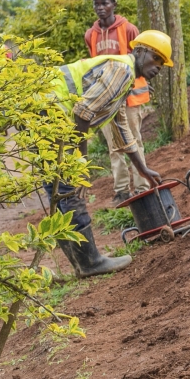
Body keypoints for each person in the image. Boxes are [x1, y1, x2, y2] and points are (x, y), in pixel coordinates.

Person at [48, 30, 173, 277]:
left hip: (42, 112)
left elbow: (119, 128)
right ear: (139, 51)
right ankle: (90, 262)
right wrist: (80, 162)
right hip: (52, 112)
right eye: (155, 57)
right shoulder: (122, 70)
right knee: (70, 184)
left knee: (55, 187)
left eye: (162, 63)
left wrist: (142, 168)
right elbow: (82, 113)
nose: (158, 66)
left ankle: (80, 263)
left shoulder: (123, 78)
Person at [84, 0, 151, 204]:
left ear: (114, 4)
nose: (100, 7)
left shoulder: (129, 29)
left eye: (105, 3)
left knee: (134, 140)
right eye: (96, 3)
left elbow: (140, 60)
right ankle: (121, 190)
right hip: (105, 99)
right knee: (114, 145)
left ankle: (141, 187)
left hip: (129, 97)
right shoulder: (90, 35)